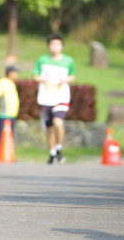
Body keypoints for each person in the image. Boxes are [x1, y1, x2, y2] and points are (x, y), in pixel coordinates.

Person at [33, 33, 75, 164]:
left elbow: (72, 76)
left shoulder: (68, 61)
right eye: (52, 44)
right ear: (49, 46)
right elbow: (35, 76)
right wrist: (43, 79)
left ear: (62, 46)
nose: (55, 47)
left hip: (61, 96)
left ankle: (59, 148)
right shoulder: (42, 60)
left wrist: (66, 79)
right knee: (49, 127)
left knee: (58, 122)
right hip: (46, 97)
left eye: (58, 44)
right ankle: (52, 152)